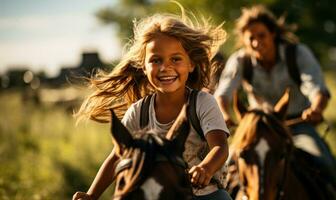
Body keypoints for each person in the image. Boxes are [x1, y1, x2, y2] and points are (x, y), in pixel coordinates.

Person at [72, 6, 232, 200]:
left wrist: (205, 169)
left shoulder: (203, 103)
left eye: (175, 59)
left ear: (191, 64)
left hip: (204, 194)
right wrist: (92, 195)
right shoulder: (138, 112)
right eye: (156, 60)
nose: (165, 67)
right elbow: (117, 156)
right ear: (144, 67)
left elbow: (220, 147)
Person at [214, 5, 335, 186]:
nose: (256, 42)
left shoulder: (297, 53)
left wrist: (316, 109)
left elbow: (317, 88)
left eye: (261, 35)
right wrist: (223, 115)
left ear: (273, 34)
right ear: (244, 41)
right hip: (257, 129)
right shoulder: (240, 61)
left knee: (324, 163)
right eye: (251, 38)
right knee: (224, 169)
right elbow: (222, 94)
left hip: (297, 125)